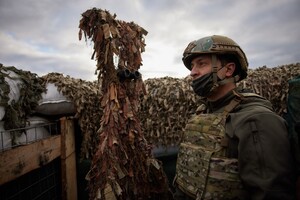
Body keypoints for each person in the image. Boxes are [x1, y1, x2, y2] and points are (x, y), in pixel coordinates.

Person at [173, 35, 297, 200]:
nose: (192, 73)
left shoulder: (256, 120)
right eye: (192, 66)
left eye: (202, 64)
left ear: (229, 70)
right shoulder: (203, 112)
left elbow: (271, 193)